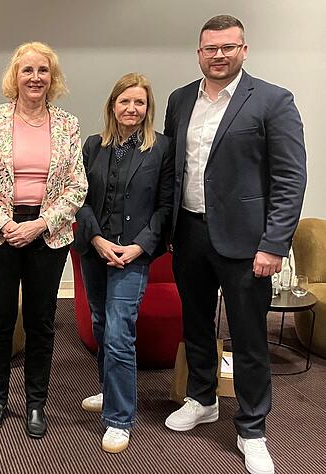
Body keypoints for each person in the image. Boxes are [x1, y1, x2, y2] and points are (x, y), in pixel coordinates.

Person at [163, 15, 306, 474]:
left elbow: (289, 179)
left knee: (248, 337)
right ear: (199, 52)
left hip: (248, 243)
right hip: (189, 232)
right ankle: (202, 398)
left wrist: (274, 244)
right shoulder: (180, 99)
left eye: (228, 47)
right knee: (197, 325)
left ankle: (251, 428)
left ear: (244, 50)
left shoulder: (272, 100)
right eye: (210, 48)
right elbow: (174, 168)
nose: (218, 55)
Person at [0, 41, 87, 439]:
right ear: (14, 77)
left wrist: (40, 223)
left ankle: (36, 403)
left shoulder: (67, 124)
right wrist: (5, 224)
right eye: (27, 70)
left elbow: (76, 186)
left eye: (43, 71)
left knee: (41, 321)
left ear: (53, 78)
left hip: (47, 235)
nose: (35, 78)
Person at [73, 73, 174, 453]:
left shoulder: (162, 148)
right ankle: (108, 390)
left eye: (140, 103)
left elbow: (166, 206)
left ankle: (119, 418)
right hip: (95, 250)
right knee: (100, 324)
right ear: (112, 105)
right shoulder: (93, 145)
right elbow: (79, 198)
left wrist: (139, 247)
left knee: (119, 332)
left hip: (133, 255)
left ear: (148, 109)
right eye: (125, 101)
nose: (132, 109)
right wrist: (97, 239)